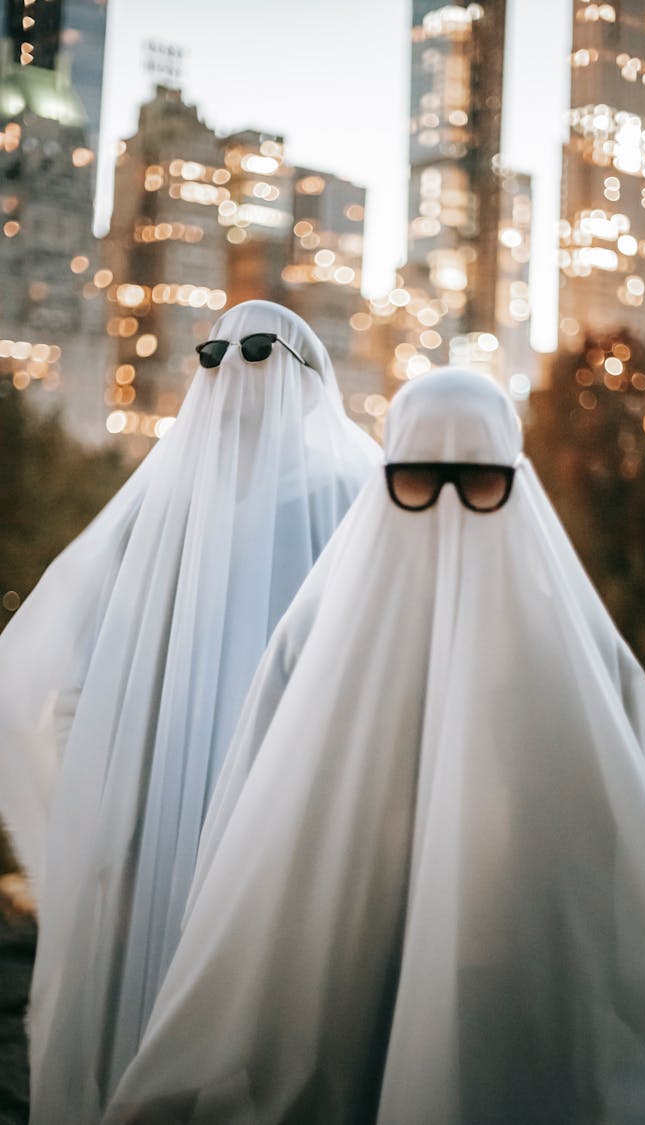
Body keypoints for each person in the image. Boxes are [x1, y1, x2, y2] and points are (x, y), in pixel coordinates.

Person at [103, 368, 645, 1125]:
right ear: (385, 481)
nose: (446, 509)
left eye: (478, 484)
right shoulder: (313, 639)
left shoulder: (577, 651)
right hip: (342, 934)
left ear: (517, 480)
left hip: (519, 935)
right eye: (416, 480)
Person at [0, 299, 379, 1123]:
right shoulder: (164, 512)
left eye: (257, 353)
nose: (238, 374)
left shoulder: (356, 491)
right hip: (165, 803)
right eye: (216, 354)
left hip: (291, 795)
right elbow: (92, 663)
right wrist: (104, 812)